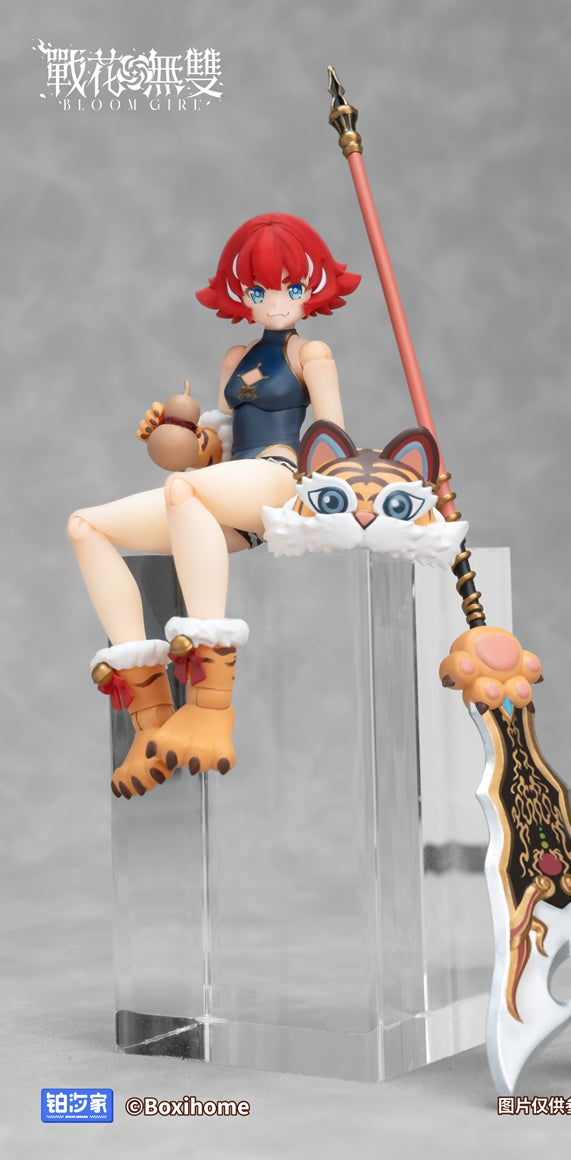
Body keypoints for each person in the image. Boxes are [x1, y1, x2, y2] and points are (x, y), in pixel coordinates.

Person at [68, 213, 360, 800]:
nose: (275, 303)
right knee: (86, 526)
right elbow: (216, 448)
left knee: (184, 491)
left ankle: (209, 705)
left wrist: (330, 499)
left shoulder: (312, 352)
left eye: (291, 288)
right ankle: (150, 719)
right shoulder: (236, 358)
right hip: (227, 487)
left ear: (312, 287)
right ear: (240, 293)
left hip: (282, 476)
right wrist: (180, 436)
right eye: (258, 290)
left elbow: (330, 433)